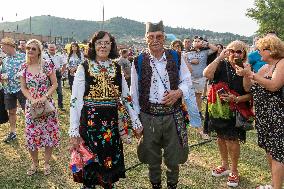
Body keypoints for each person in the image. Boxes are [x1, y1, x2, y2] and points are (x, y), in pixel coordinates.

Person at [69, 31, 142, 189]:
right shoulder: (84, 67)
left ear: (111, 46)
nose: (103, 45)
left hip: (111, 125)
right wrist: (74, 129)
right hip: (89, 124)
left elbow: (126, 97)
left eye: (107, 42)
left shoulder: (116, 68)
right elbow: (75, 100)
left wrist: (135, 120)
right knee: (90, 164)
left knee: (109, 166)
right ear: (93, 46)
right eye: (99, 42)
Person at [131, 21, 191, 189]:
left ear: (164, 37)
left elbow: (187, 81)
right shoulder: (139, 61)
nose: (155, 40)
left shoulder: (177, 56)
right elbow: (134, 93)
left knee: (174, 157)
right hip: (148, 115)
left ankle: (172, 185)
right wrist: (136, 121)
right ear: (145, 38)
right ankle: (155, 185)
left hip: (173, 115)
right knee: (152, 158)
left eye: (159, 36)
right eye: (151, 36)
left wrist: (178, 92)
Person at [236, 35, 284, 189]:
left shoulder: (282, 63)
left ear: (270, 50)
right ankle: (273, 184)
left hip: (278, 117)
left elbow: (274, 85)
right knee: (270, 150)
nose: (257, 53)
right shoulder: (264, 68)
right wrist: (246, 74)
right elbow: (248, 88)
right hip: (264, 117)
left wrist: (251, 74)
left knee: (277, 153)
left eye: (260, 50)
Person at [203, 40, 253, 187]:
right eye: (232, 51)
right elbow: (207, 74)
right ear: (227, 52)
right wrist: (219, 57)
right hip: (217, 108)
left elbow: (249, 92)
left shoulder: (246, 68)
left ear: (244, 54)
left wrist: (236, 97)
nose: (235, 54)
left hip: (235, 109)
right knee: (220, 137)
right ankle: (224, 165)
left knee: (232, 140)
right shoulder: (221, 64)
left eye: (239, 51)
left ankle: (234, 170)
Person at [19, 39, 59, 176]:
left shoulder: (46, 65)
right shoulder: (23, 67)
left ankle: (46, 163)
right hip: (31, 106)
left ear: (39, 51)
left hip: (47, 105)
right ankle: (35, 163)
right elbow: (23, 87)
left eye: (33, 49)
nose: (30, 50)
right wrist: (31, 99)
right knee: (32, 136)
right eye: (28, 48)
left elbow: (54, 84)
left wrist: (45, 96)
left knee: (49, 135)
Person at [0, 37, 26, 143]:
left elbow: (28, 70)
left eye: (3, 47)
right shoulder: (5, 59)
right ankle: (13, 133)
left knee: (27, 111)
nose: (2, 50)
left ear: (10, 46)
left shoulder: (23, 56)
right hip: (8, 89)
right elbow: (3, 72)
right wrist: (2, 76)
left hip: (21, 89)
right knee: (11, 112)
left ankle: (31, 132)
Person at [44, 44, 66, 111]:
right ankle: (47, 106)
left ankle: (60, 106)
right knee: (47, 91)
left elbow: (65, 64)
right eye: (50, 47)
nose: (51, 49)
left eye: (53, 47)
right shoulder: (44, 56)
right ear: (48, 48)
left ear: (55, 48)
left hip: (57, 75)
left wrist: (62, 72)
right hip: (47, 75)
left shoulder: (59, 56)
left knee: (59, 92)